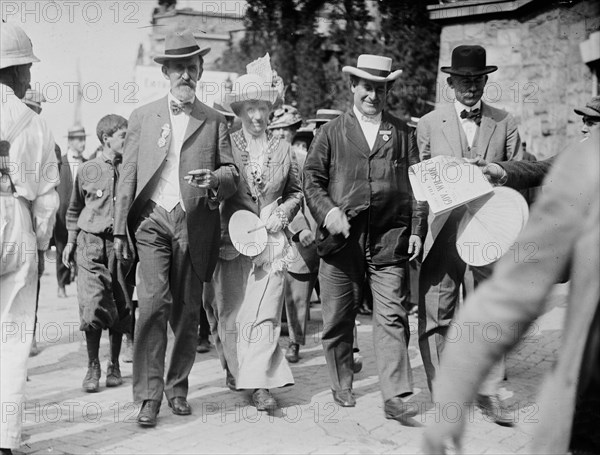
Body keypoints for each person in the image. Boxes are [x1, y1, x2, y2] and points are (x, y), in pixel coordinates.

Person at [422, 128, 600, 455]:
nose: (587, 130)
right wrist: (500, 170)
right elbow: (544, 168)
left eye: (594, 123)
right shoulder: (588, 156)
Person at [114, 30, 239, 428]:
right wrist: (120, 229)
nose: (186, 74)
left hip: (194, 222)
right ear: (165, 71)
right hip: (151, 219)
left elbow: (233, 172)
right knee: (151, 305)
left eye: (192, 67)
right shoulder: (142, 116)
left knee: (186, 312)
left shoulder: (214, 119)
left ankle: (178, 388)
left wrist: (215, 179)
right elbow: (128, 175)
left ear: (200, 70)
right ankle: (149, 396)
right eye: (178, 68)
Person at [304, 54, 427, 426]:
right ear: (353, 88)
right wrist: (328, 211)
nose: (373, 95)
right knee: (339, 317)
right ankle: (342, 382)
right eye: (367, 87)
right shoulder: (330, 132)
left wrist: (417, 230)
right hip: (342, 242)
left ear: (388, 90)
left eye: (380, 88)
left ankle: (396, 397)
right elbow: (311, 179)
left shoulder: (403, 133)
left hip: (390, 238)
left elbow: (418, 186)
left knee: (392, 316)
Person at [416, 45, 522, 425]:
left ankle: (489, 391)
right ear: (450, 83)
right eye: (463, 80)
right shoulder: (429, 124)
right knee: (437, 312)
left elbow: (520, 173)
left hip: (488, 231)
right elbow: (420, 185)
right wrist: (417, 232)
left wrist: (495, 170)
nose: (470, 87)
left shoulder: (505, 122)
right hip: (443, 232)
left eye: (477, 80)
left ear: (485, 81)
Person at [203, 71, 302, 411]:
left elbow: (296, 192)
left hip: (273, 244)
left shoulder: (285, 149)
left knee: (267, 314)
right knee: (232, 315)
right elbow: (217, 183)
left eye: (263, 107)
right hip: (233, 242)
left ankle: (259, 384)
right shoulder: (226, 144)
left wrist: (286, 212)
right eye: (250, 108)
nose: (257, 116)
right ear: (240, 110)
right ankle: (236, 367)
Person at [0, 22, 59, 455]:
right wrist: (39, 243)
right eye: (27, 68)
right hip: (16, 215)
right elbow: (47, 200)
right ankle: (4, 438)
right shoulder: (34, 123)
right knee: (14, 334)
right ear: (18, 71)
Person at [62, 114, 132, 393]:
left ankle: (114, 364)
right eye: (123, 136)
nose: (129, 140)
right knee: (91, 305)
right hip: (90, 244)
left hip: (121, 247)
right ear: (106, 139)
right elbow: (74, 209)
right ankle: (93, 365)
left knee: (120, 304)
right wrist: (69, 241)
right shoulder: (88, 169)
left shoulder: (131, 169)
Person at [55, 125, 87, 298]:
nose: (82, 143)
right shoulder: (61, 162)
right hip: (61, 214)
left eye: (84, 139)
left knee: (79, 249)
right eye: (78, 139)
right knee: (61, 248)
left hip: (81, 215)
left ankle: (80, 284)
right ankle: (61, 284)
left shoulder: (88, 163)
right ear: (70, 141)